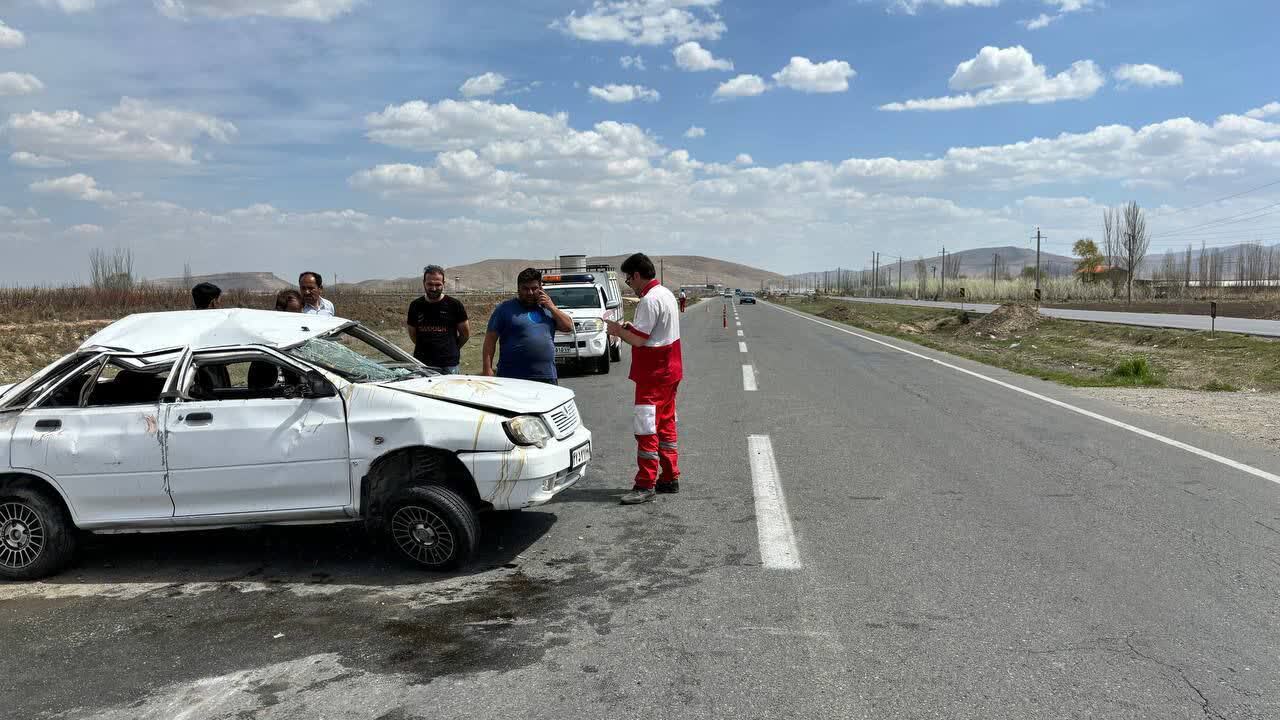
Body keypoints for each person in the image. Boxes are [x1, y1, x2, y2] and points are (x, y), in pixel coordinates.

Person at [605, 253, 683, 505]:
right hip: (670, 371)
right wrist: (631, 328)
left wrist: (617, 331)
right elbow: (651, 332)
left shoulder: (648, 301)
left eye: (629, 280)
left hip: (653, 375)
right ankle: (670, 476)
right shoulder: (666, 294)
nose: (630, 284)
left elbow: (639, 340)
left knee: (647, 429)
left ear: (637, 275)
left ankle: (645, 483)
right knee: (666, 426)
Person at [482, 268, 572, 384]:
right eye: (525, 289)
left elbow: (568, 327)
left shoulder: (548, 309)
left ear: (540, 288)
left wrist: (551, 307)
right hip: (512, 377)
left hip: (546, 376)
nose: (530, 293)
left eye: (534, 288)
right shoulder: (504, 309)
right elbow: (490, 340)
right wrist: (487, 369)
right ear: (518, 289)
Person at [407, 265, 470, 374]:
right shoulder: (415, 306)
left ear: (443, 284)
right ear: (424, 283)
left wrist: (452, 349)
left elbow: (465, 334)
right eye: (430, 284)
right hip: (422, 364)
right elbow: (413, 335)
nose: (434, 288)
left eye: (438, 285)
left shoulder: (454, 305)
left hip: (449, 365)